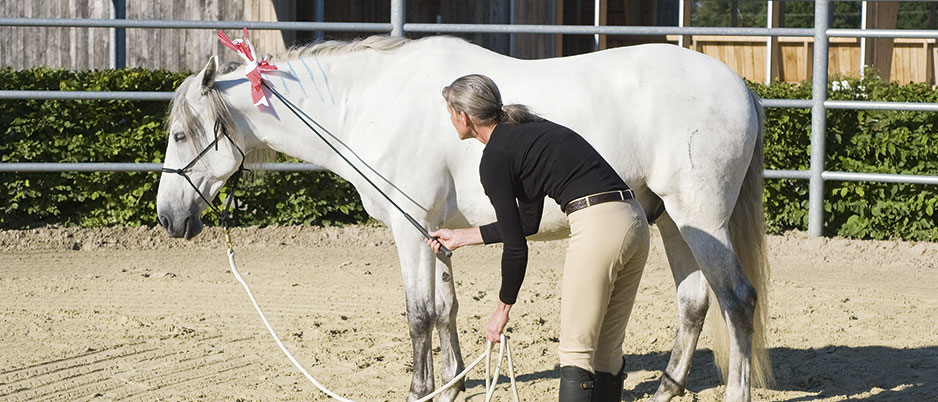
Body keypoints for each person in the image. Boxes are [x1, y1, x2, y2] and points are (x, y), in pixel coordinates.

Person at [426, 74, 650, 402]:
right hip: (634, 220)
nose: (449, 119)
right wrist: (462, 237)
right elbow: (527, 223)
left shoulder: (495, 158)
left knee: (576, 353)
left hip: (598, 227)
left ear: (465, 117)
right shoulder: (526, 131)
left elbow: (517, 247)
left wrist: (503, 308)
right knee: (606, 354)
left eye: (450, 112)